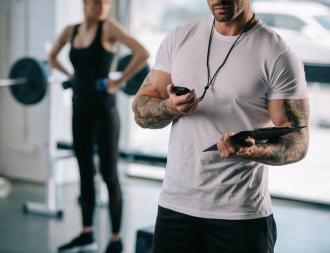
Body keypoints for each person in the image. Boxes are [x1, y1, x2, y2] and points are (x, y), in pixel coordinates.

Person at [132, 0, 310, 252]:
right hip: (175, 208)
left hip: (240, 216)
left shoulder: (277, 53)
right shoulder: (179, 38)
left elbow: (298, 142)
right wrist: (170, 107)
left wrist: (249, 151)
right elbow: (141, 111)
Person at [48, 0, 149, 252]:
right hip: (79, 109)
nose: (102, 6)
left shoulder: (109, 28)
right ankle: (86, 234)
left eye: (107, 2)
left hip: (105, 112)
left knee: (109, 173)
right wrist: (70, 75)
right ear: (85, 3)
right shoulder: (71, 31)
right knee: (84, 172)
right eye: (97, 1)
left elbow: (142, 53)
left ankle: (115, 239)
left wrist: (120, 81)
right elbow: (51, 56)